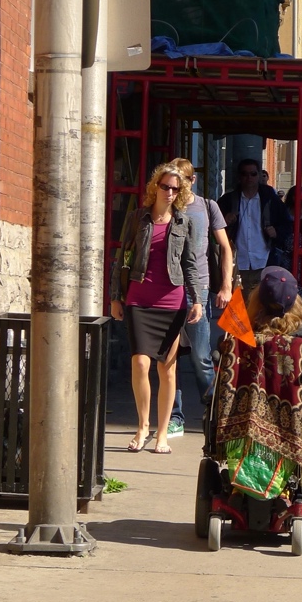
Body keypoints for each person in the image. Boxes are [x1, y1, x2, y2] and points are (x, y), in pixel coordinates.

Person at [110, 164, 204, 454]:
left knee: (168, 369)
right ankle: (142, 427)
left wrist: (197, 298)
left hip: (171, 301)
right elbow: (122, 255)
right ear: (155, 187)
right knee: (140, 362)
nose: (170, 192)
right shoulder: (138, 218)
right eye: (165, 186)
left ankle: (162, 433)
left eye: (176, 188)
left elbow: (189, 263)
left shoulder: (184, 223)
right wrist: (116, 296)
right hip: (139, 299)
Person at [214, 266, 302, 497]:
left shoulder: (235, 342)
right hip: (290, 437)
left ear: (256, 300)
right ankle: (283, 485)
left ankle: (240, 483)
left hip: (241, 438)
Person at [165, 157, 234, 438]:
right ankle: (174, 417)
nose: (175, 187)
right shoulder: (167, 205)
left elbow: (225, 248)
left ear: (191, 181)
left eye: (180, 181)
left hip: (199, 289)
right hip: (168, 288)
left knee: (200, 356)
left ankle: (216, 413)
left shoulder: (208, 207)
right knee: (169, 358)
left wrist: (227, 286)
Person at [217, 158, 289, 294]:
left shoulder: (270, 200)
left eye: (253, 174)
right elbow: (212, 228)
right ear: (239, 177)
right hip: (236, 264)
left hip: (265, 261)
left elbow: (287, 224)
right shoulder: (228, 200)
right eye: (245, 174)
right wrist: (224, 221)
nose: (249, 178)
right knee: (238, 310)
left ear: (259, 175)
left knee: (262, 309)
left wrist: (276, 232)